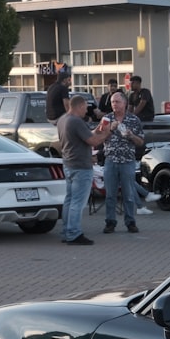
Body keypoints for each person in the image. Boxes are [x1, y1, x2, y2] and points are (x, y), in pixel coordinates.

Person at [57, 95, 111, 245]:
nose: (87, 110)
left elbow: (86, 135)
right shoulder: (76, 121)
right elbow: (93, 141)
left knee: (69, 199)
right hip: (81, 166)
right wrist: (107, 133)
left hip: (68, 164)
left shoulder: (63, 120)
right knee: (78, 202)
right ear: (79, 106)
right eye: (86, 107)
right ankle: (74, 234)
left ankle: (67, 231)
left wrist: (97, 129)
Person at [100, 91, 144, 234]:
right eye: (112, 102)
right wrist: (110, 130)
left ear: (125, 103)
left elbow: (141, 142)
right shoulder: (106, 119)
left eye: (117, 102)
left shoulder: (134, 119)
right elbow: (98, 137)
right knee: (110, 194)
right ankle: (110, 222)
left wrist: (131, 136)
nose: (114, 105)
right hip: (111, 160)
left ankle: (130, 222)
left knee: (129, 194)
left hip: (127, 161)